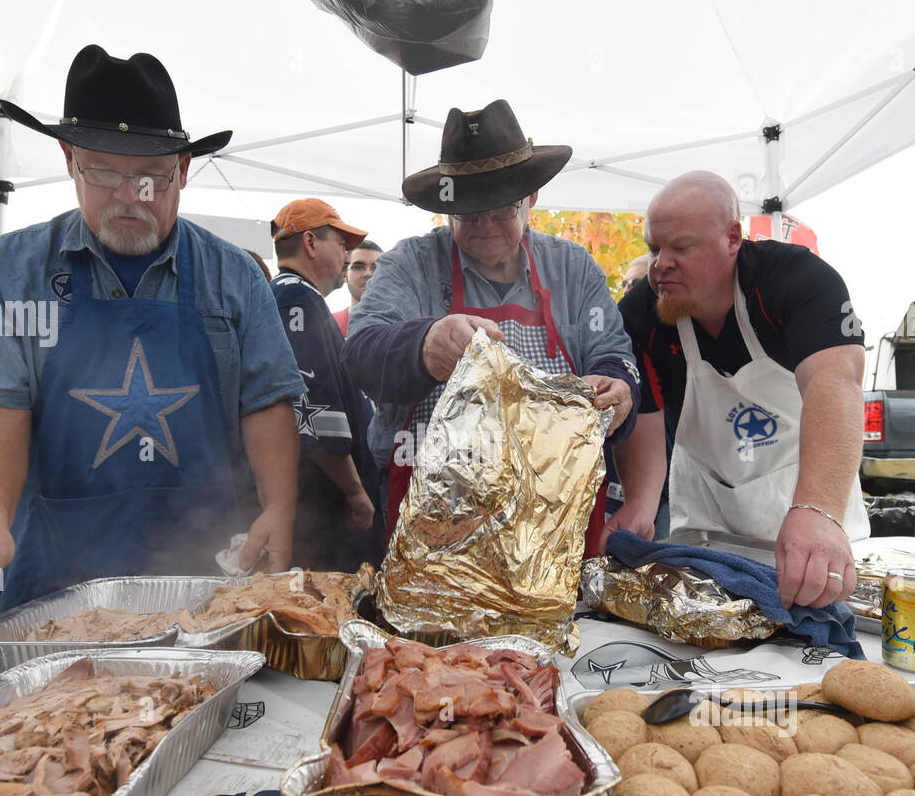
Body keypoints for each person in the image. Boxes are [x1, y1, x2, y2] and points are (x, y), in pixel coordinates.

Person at [0, 45, 304, 637]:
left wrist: (279, 507)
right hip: (55, 584)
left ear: (182, 169)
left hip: (207, 582)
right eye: (104, 173)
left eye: (152, 176)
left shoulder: (235, 276)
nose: (131, 196)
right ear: (70, 159)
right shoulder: (9, 270)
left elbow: (266, 402)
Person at [341, 99, 640, 557]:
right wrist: (424, 347)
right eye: (467, 213)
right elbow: (359, 353)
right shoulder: (410, 264)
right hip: (435, 519)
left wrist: (617, 384)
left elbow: (614, 354)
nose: (483, 226)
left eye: (500, 209)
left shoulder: (573, 269)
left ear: (531, 198)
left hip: (551, 517)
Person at [611, 170, 869, 610]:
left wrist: (819, 511)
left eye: (681, 248)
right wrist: (640, 502)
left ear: (733, 237)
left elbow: (835, 382)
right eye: (654, 249)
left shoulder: (798, 280)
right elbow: (648, 417)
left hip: (808, 504)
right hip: (707, 523)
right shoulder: (641, 314)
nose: (661, 264)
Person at [270, 198, 383, 570]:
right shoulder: (297, 300)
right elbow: (313, 412)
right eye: (340, 243)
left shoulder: (294, 297)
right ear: (311, 243)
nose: (347, 255)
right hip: (322, 511)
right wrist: (354, 492)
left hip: (321, 507)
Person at [333, 239, 382, 336]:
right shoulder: (329, 325)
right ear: (345, 275)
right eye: (358, 267)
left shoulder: (404, 326)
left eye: (375, 267)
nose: (368, 273)